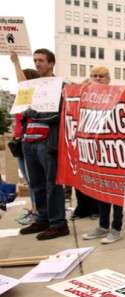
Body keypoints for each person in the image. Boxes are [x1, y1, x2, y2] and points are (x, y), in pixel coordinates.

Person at [15, 48, 69, 240]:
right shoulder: (32, 86)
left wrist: (34, 114)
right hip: (29, 141)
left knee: (52, 185)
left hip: (47, 142)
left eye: (41, 61)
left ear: (51, 63)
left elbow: (60, 114)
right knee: (36, 184)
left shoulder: (60, 86)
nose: (37, 64)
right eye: (35, 60)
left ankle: (58, 223)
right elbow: (22, 106)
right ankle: (43, 219)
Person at [80, 66, 125, 244]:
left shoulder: (117, 95)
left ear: (108, 79)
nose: (97, 79)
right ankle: (103, 225)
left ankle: (116, 228)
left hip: (114, 150)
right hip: (96, 151)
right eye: (94, 76)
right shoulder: (86, 98)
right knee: (102, 191)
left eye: (101, 76)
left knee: (117, 192)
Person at [7, 63, 41, 225]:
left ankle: (37, 210)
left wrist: (16, 62)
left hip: (28, 140)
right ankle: (34, 209)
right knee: (28, 180)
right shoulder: (21, 98)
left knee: (33, 179)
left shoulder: (34, 98)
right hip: (19, 141)